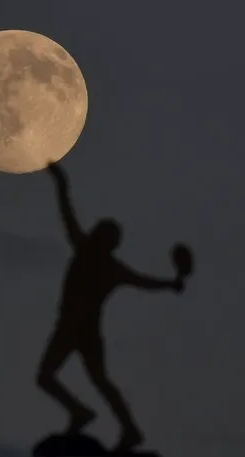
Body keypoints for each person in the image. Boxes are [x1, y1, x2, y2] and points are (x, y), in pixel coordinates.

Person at [36, 160, 185, 452]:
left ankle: (89, 415)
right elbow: (146, 282)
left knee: (47, 377)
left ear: (102, 239)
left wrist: (60, 180)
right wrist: (171, 284)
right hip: (86, 330)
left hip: (72, 327)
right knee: (99, 381)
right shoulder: (107, 264)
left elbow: (66, 211)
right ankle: (123, 427)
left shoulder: (89, 253)